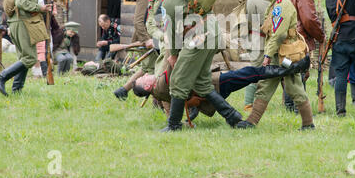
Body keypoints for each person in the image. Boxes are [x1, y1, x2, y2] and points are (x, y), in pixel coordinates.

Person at [153, 0, 242, 131]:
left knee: (178, 81)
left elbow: (172, 32)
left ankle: (174, 125)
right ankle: (233, 117)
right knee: (202, 83)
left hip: (198, 38)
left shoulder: (170, 1)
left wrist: (173, 55)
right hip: (213, 32)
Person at [236, 0, 314, 130]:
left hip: (285, 55)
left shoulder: (281, 6)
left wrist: (267, 56)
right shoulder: (274, 3)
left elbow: (278, 35)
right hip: (278, 55)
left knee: (294, 87)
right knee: (265, 86)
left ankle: (308, 124)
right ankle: (251, 122)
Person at [131, 54, 311, 120]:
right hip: (214, 86)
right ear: (147, 85)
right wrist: (173, 53)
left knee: (250, 74)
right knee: (251, 73)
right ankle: (293, 68)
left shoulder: (159, 89)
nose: (146, 74)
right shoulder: (161, 85)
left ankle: (291, 68)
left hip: (210, 87)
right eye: (144, 78)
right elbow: (176, 64)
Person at [283, 0, 326, 111]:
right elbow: (309, 19)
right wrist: (320, 36)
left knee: (288, 71)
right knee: (300, 72)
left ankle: (289, 105)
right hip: (300, 40)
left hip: (286, 39)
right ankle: (299, 107)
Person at [113, 0, 159, 99]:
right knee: (152, 70)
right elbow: (138, 22)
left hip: (155, 38)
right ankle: (158, 101)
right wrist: (146, 39)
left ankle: (123, 90)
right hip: (146, 39)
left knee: (146, 68)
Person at [243, 0, 270, 111]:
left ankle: (251, 103)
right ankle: (249, 104)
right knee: (257, 72)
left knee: (257, 71)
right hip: (260, 39)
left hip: (254, 37)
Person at [32, 0, 47, 77]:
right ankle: (37, 71)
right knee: (36, 49)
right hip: (35, 25)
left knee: (41, 49)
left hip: (42, 25)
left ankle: (41, 72)